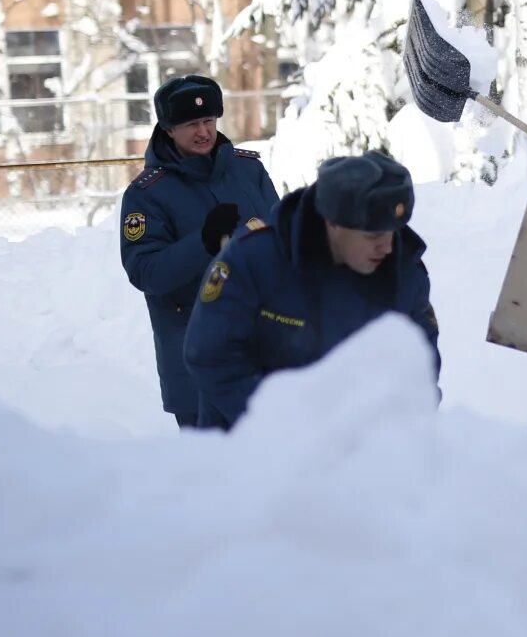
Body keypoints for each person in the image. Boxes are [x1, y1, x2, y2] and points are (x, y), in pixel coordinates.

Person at [185, 150, 440, 430]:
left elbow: (419, 372)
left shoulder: (404, 273)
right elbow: (211, 355)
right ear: (332, 222)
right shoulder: (253, 261)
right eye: (373, 236)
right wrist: (284, 426)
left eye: (393, 232)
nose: (388, 246)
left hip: (354, 456)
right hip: (247, 447)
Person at [119, 74, 279, 427]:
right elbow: (145, 271)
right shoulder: (147, 194)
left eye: (208, 121)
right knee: (213, 477)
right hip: (197, 367)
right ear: (168, 129)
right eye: (191, 124)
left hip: (263, 358)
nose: (203, 131)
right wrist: (203, 243)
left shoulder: (248, 170)